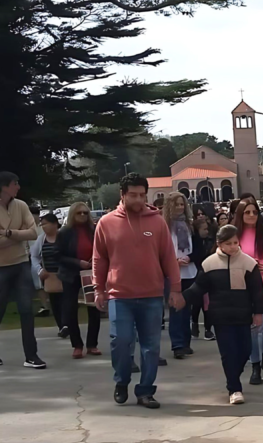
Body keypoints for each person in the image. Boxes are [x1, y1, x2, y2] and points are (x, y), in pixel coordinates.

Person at [94, 173, 184, 408]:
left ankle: (145, 391)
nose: (138, 200)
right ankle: (121, 380)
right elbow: (99, 259)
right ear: (122, 195)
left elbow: (169, 258)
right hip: (119, 296)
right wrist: (98, 289)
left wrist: (175, 289)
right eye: (133, 195)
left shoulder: (157, 221)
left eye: (142, 195)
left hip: (152, 295)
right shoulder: (106, 223)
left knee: (151, 347)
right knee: (120, 341)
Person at [183, 224, 263, 405]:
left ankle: (232, 377)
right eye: (228, 243)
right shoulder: (209, 264)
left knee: (245, 350)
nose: (233, 247)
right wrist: (182, 299)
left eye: (235, 242)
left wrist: (258, 312)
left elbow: (257, 291)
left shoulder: (248, 263)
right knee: (228, 353)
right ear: (219, 244)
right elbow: (199, 288)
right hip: (220, 317)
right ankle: (234, 388)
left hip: (243, 315)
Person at [232, 197, 263, 385]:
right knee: (253, 329)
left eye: (254, 212)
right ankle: (255, 365)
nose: (252, 215)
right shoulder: (235, 235)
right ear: (241, 215)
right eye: (247, 212)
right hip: (244, 288)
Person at [0, 171, 45, 369]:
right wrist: (19, 236)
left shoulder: (21, 205)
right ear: (4, 186)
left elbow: (33, 232)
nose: (18, 187)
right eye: (15, 183)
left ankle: (31, 356)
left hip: (20, 265)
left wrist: (9, 233)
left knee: (26, 310)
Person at [56, 203, 102, 356]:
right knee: (70, 309)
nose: (82, 216)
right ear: (72, 215)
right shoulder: (65, 232)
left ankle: (92, 344)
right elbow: (58, 256)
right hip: (71, 274)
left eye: (85, 213)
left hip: (91, 272)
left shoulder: (93, 230)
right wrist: (77, 263)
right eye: (79, 213)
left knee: (94, 308)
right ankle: (77, 345)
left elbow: (101, 249)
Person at [163, 192, 199, 360]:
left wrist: (189, 258)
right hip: (172, 273)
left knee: (187, 309)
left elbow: (199, 249)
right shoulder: (164, 226)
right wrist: (173, 261)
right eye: (176, 204)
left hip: (189, 271)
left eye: (182, 204)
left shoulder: (190, 225)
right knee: (175, 308)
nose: (179, 207)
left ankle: (185, 343)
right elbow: (161, 251)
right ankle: (177, 345)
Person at [30, 213, 66, 340]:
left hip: (66, 275)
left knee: (67, 301)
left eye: (46, 223)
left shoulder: (63, 236)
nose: (44, 227)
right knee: (55, 301)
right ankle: (62, 326)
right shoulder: (41, 239)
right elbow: (34, 256)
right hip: (50, 276)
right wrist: (39, 270)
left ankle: (67, 323)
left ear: (55, 224)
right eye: (42, 224)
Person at [191, 216, 216, 341]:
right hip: (197, 275)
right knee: (197, 303)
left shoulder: (210, 241)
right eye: (204, 229)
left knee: (207, 304)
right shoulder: (194, 242)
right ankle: (194, 324)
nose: (207, 231)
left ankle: (208, 329)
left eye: (208, 229)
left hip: (207, 275)